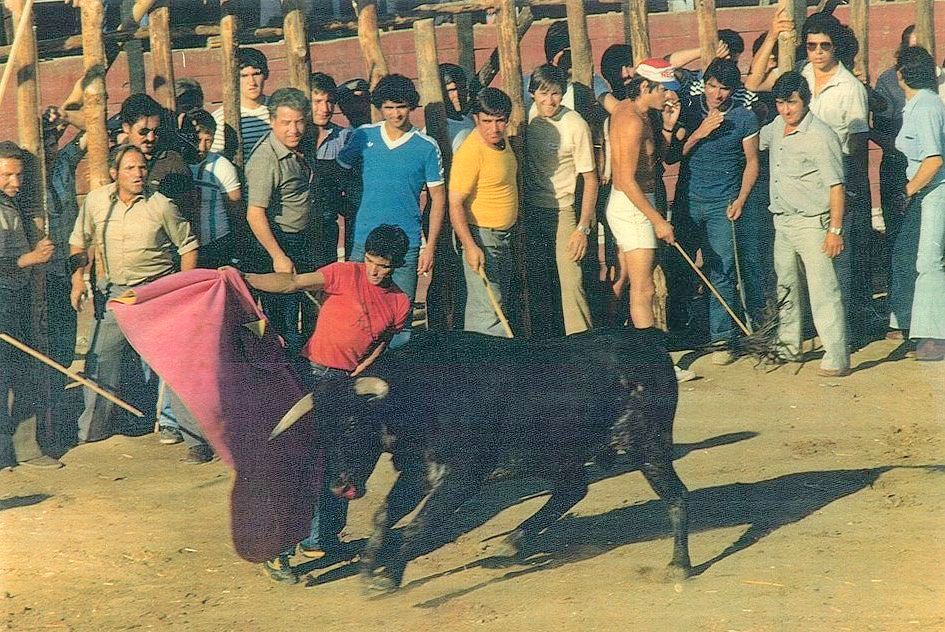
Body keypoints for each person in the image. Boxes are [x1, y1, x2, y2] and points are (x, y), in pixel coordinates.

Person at [245, 224, 412, 584]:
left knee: (341, 463)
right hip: (310, 374)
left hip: (348, 387)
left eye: (383, 266)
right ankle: (278, 552)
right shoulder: (344, 274)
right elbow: (291, 283)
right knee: (302, 462)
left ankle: (320, 539)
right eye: (370, 261)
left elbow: (384, 340)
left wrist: (367, 365)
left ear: (396, 265)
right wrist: (246, 278)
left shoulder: (399, 302)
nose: (374, 271)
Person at [69, 144, 214, 460]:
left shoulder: (161, 205)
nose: (138, 173)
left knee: (174, 364)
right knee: (99, 361)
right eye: (130, 168)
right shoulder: (96, 202)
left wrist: (181, 290)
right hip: (116, 294)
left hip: (155, 293)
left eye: (142, 167)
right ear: (114, 173)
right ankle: (91, 437)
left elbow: (188, 247)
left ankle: (196, 440)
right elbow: (79, 242)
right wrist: (77, 277)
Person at [337, 73, 446, 344]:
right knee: (355, 312)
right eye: (389, 107)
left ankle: (400, 379)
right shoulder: (363, 137)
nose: (395, 113)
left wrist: (429, 246)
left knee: (400, 320)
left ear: (411, 106)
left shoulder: (426, 147)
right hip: (364, 240)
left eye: (401, 106)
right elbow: (339, 172)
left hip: (405, 245)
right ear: (379, 107)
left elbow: (439, 199)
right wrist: (355, 201)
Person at [605, 58, 695, 383]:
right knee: (643, 289)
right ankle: (652, 365)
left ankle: (636, 357)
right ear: (645, 87)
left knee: (634, 283)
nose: (668, 97)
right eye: (664, 91)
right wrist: (658, 220)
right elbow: (626, 179)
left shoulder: (636, 112)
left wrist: (669, 124)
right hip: (633, 206)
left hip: (637, 203)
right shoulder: (632, 121)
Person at [760, 72, 850, 377]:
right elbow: (755, 144)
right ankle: (789, 346)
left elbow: (836, 187)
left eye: (792, 103)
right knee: (786, 287)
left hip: (814, 224)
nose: (786, 110)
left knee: (823, 291)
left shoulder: (821, 135)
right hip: (782, 222)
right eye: (781, 103)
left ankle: (837, 356)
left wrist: (834, 231)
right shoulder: (775, 127)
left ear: (805, 101)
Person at [674, 58, 759, 364]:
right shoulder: (692, 108)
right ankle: (681, 334)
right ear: (705, 84)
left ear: (733, 90)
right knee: (680, 268)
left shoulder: (744, 118)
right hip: (687, 202)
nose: (717, 94)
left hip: (723, 203)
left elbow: (752, 162)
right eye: (712, 86)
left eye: (724, 89)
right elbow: (673, 156)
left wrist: (741, 198)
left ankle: (722, 339)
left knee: (721, 270)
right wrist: (700, 131)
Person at [800, 13, 871, 347]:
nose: (817, 52)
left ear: (835, 47)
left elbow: (857, 147)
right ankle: (815, 328)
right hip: (801, 180)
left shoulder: (851, 88)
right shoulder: (801, 75)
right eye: (811, 45)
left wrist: (851, 187)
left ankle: (842, 333)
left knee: (837, 260)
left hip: (836, 179)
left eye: (824, 46)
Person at [244, 88, 319, 362]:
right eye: (286, 123)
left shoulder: (301, 144)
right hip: (279, 244)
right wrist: (278, 256)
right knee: (284, 320)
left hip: (304, 240)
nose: (294, 129)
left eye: (299, 121)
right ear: (272, 121)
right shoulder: (266, 159)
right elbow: (255, 214)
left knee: (308, 311)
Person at [523, 64, 598, 337]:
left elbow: (591, 179)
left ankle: (584, 349)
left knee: (571, 283)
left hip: (563, 210)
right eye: (543, 93)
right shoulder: (527, 117)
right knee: (538, 284)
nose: (549, 101)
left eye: (556, 94)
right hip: (530, 209)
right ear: (533, 93)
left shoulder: (575, 125)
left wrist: (582, 228)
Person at [0, 142, 55, 468]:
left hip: (15, 300)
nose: (16, 183)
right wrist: (32, 258)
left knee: (22, 374)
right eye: (7, 175)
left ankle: (25, 450)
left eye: (19, 175)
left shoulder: (11, 204)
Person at [448, 88, 519, 337]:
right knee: (488, 312)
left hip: (504, 237)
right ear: (476, 119)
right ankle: (484, 371)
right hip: (482, 237)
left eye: (500, 120)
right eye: (487, 121)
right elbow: (455, 202)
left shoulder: (503, 142)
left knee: (498, 304)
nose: (494, 128)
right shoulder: (471, 152)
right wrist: (470, 245)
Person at [893, 47, 945, 361]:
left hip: (934, 190)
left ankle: (935, 336)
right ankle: (916, 325)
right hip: (925, 190)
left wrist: (908, 190)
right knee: (909, 254)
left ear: (902, 75)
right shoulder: (919, 103)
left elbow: (934, 159)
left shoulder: (925, 106)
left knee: (928, 262)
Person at [41, 107, 87, 451]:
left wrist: (68, 118)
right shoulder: (24, 176)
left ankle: (58, 416)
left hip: (66, 269)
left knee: (65, 347)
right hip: (37, 275)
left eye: (54, 138)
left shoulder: (64, 165)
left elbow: (97, 131)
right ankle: (48, 425)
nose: (50, 145)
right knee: (44, 350)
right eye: (45, 138)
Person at [119, 93, 197, 223]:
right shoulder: (114, 159)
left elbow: (187, 213)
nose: (151, 138)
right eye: (143, 132)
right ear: (126, 127)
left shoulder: (173, 163)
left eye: (155, 131)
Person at [307, 72, 355, 265]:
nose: (324, 108)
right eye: (317, 101)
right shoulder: (295, 135)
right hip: (298, 223)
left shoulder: (343, 137)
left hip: (326, 222)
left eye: (329, 102)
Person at [184, 109, 242, 269]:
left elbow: (235, 212)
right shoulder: (176, 162)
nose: (202, 147)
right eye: (197, 139)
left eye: (208, 140)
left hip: (216, 245)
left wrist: (235, 252)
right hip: (184, 248)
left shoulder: (222, 166)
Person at [210, 47, 272, 160]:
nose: (252, 82)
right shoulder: (220, 119)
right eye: (244, 76)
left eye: (256, 74)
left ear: (266, 75)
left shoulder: (277, 108)